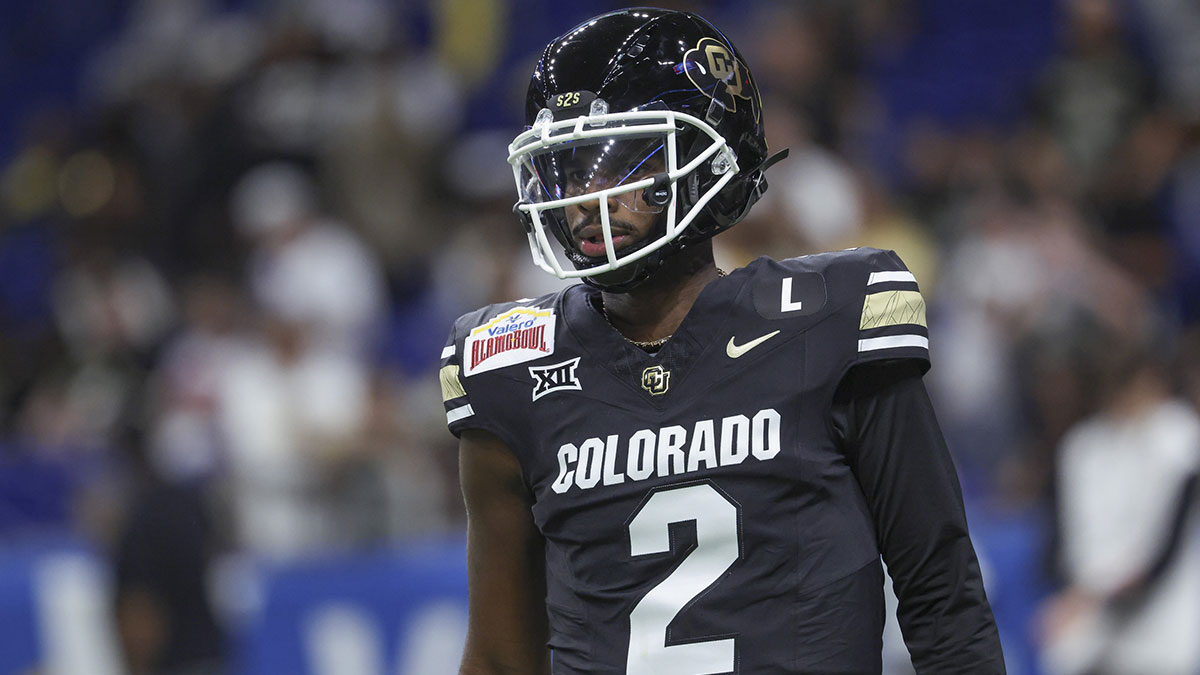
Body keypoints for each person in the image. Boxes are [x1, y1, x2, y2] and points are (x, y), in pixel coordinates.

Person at [440, 8, 1005, 674]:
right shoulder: (512, 365)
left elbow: (942, 598)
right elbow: (503, 659)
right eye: (567, 166)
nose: (585, 196)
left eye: (620, 160)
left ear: (713, 157)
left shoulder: (828, 321)